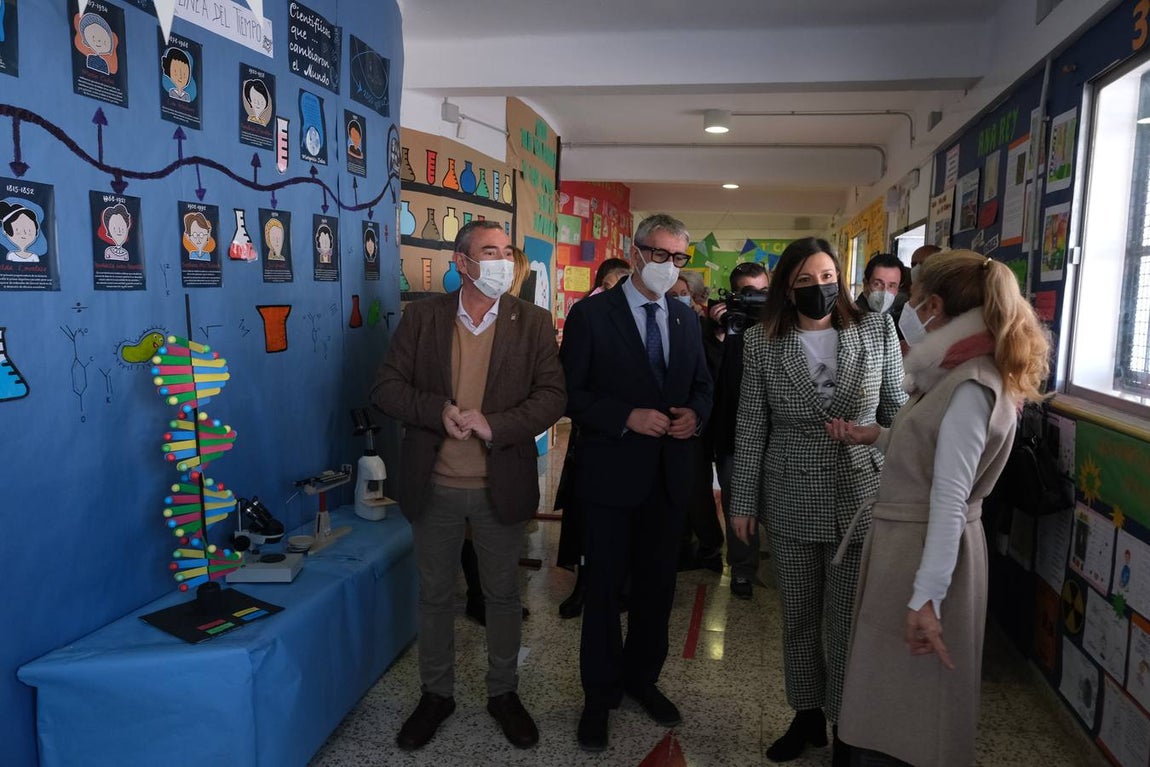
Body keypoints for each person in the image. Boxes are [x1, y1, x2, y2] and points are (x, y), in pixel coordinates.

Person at [829, 250, 1051, 767]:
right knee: (892, 696)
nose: (904, 307)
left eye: (912, 297)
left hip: (926, 557)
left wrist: (927, 598)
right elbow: (935, 458)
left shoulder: (971, 384)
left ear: (931, 305)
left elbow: (950, 498)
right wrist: (880, 436)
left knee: (912, 707)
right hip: (910, 546)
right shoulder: (954, 371)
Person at [371, 220, 566, 752]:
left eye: (507, 251)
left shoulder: (533, 321)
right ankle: (436, 694)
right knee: (434, 597)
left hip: (498, 483)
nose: (503, 260)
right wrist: (439, 411)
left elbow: (552, 397)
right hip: (432, 482)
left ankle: (504, 693)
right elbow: (387, 387)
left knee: (502, 595)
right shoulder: (423, 319)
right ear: (462, 262)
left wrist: (493, 425)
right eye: (489, 251)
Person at [728, 237, 906, 766]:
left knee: (849, 619)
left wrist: (871, 434)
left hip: (861, 493)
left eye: (828, 276)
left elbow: (898, 409)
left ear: (842, 279)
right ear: (787, 287)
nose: (819, 288)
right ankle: (806, 716)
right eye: (805, 280)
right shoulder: (763, 341)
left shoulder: (875, 330)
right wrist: (741, 502)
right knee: (800, 615)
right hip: (790, 492)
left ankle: (848, 724)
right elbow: (752, 423)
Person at [561, 214, 713, 752]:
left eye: (678, 258)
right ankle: (599, 695)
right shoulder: (591, 316)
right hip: (610, 477)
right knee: (603, 590)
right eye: (658, 254)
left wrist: (695, 414)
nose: (668, 267)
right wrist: (625, 416)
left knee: (657, 588)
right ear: (635, 250)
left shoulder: (685, 319)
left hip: (669, 478)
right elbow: (570, 394)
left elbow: (702, 385)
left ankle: (641, 679)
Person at [553, 255, 634, 620]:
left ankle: (621, 585)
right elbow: (572, 386)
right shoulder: (586, 316)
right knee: (584, 518)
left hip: (635, 440)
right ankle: (583, 584)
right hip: (593, 436)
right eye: (614, 286)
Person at [707, 261, 770, 598]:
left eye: (763, 293)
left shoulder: (780, 323)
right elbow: (709, 378)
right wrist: (719, 332)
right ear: (734, 295)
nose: (757, 301)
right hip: (731, 429)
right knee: (736, 502)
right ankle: (742, 570)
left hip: (774, 431)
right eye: (748, 294)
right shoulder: (720, 327)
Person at [855, 253, 906, 318]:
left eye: (891, 286)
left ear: (898, 289)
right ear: (865, 284)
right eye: (877, 284)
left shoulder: (899, 320)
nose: (885, 292)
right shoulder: (849, 317)